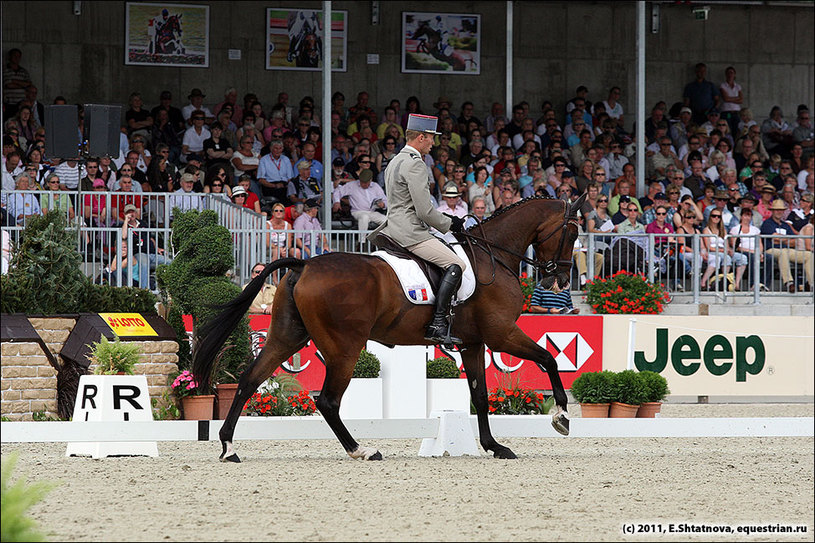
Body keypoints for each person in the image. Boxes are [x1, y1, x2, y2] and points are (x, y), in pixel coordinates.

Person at [368, 114, 467, 345]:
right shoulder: (415, 164)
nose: (433, 143)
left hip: (392, 228)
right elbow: (424, 211)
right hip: (411, 232)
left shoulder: (394, 160)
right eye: (431, 139)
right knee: (457, 264)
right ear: (421, 137)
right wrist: (450, 223)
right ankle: (438, 324)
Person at [120, 203, 171, 290]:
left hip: (151, 253)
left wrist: (157, 248)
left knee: (170, 262)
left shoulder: (143, 223)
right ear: (125, 214)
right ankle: (145, 291)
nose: (131, 214)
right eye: (129, 212)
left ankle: (170, 290)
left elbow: (150, 238)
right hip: (138, 254)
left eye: (133, 212)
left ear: (136, 213)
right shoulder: (124, 226)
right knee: (144, 263)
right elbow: (123, 236)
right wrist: (126, 220)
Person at [332, 168, 387, 233]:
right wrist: (337, 202)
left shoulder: (376, 186)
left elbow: (385, 200)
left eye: (366, 183)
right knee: (364, 217)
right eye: (362, 182)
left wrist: (383, 205)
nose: (364, 185)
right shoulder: (352, 185)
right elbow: (337, 192)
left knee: (386, 221)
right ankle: (361, 242)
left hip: (372, 212)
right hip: (357, 212)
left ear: (370, 180)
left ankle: (384, 241)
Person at [760, 199, 796, 292]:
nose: (779, 212)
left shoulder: (786, 225)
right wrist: (786, 239)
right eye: (776, 210)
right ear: (772, 211)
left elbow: (794, 241)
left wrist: (780, 240)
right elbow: (774, 238)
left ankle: (811, 284)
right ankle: (789, 282)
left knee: (808, 255)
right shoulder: (767, 223)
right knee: (783, 252)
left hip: (786, 250)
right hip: (771, 250)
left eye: (781, 210)